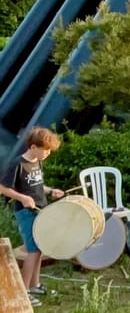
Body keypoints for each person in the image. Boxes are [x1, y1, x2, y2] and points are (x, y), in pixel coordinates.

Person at [0, 126, 65, 308]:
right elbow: (3, 188)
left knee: (40, 247)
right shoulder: (17, 164)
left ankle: (35, 285)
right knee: (33, 250)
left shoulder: (37, 162)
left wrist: (51, 190)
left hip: (40, 210)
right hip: (25, 213)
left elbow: (37, 185)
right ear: (34, 147)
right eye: (46, 150)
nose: (48, 153)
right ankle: (24, 290)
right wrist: (23, 198)